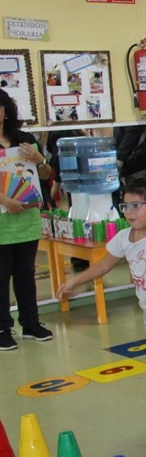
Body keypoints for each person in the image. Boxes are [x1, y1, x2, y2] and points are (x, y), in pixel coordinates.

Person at [56, 174, 146, 432]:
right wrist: (74, 282)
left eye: (136, 206)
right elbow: (103, 265)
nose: (129, 211)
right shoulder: (123, 237)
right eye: (125, 206)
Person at [0, 88, 53, 350]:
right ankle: (2, 327)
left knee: (25, 273)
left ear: (5, 110)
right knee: (1, 275)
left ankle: (30, 323)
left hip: (27, 217)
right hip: (2, 220)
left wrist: (40, 158)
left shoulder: (24, 139)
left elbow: (44, 175)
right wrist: (4, 200)